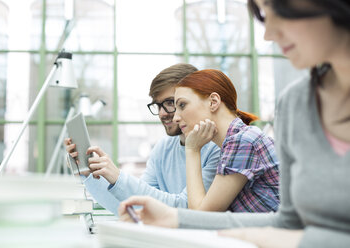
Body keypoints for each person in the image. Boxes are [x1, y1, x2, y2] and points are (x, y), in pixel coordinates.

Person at [119, 0, 350, 247]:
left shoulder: (243, 139)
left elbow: (287, 232)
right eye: (264, 16)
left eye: (281, 11)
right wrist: (173, 218)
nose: (268, 33)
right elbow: (287, 222)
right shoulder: (295, 104)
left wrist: (287, 240)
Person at [64, 63, 221, 215]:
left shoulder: (218, 149)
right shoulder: (162, 149)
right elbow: (136, 206)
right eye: (158, 105)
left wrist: (118, 177)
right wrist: (91, 174)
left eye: (170, 103)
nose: (161, 113)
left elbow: (185, 209)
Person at [172, 69, 279, 212]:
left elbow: (201, 216)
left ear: (213, 102)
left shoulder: (243, 142)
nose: (175, 118)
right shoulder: (238, 141)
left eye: (182, 105)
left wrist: (192, 150)